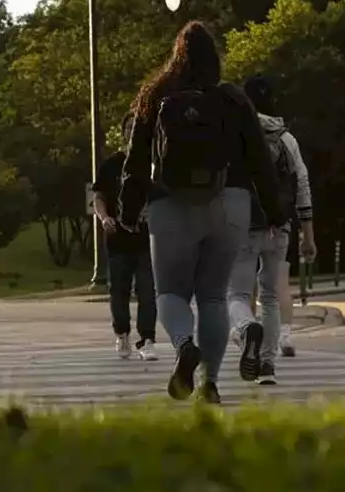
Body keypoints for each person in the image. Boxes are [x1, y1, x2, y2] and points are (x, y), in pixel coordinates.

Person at [119, 21, 286, 405]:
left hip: (169, 202)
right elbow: (259, 158)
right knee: (212, 296)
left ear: (176, 56)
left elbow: (135, 158)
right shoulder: (234, 99)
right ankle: (210, 383)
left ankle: (183, 346)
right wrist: (275, 211)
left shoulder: (156, 95)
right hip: (230, 203)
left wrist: (129, 209)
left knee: (171, 293)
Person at [229, 75, 316, 375]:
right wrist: (308, 233)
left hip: (243, 224)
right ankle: (267, 363)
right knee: (270, 296)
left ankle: (245, 327)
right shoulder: (286, 138)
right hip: (279, 225)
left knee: (237, 294)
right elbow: (301, 183)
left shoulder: (236, 135)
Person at [92, 113, 158, 361]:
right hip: (118, 239)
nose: (132, 132)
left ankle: (147, 339)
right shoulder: (111, 165)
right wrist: (104, 218)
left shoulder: (152, 165)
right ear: (123, 133)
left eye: (136, 128)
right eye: (128, 127)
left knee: (147, 291)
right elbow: (98, 197)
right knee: (118, 291)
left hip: (146, 240)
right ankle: (122, 334)